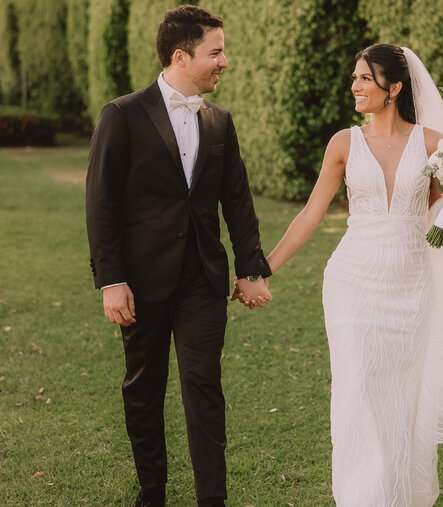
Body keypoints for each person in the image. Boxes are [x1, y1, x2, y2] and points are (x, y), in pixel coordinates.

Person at [242, 44, 443, 506]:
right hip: (352, 281)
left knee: (403, 400)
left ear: (394, 88)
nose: (355, 86)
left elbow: (439, 210)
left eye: (365, 79)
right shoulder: (343, 144)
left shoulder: (432, 144)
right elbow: (309, 214)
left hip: (411, 282)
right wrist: (262, 271)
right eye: (356, 78)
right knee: (359, 391)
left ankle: (400, 495)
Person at [85, 6, 271, 506]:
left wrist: (251, 268)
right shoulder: (121, 114)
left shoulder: (219, 122)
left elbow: (237, 200)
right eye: (216, 52)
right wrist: (112, 279)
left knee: (203, 389)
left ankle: (213, 499)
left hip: (202, 283)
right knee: (143, 392)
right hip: (140, 284)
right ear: (180, 56)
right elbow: (101, 203)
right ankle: (153, 495)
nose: (224, 62)